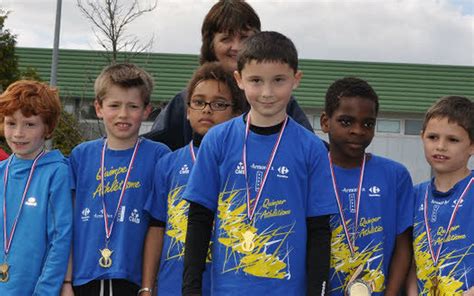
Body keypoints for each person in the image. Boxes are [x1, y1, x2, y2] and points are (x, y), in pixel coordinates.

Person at [182, 31, 337, 295]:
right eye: (256, 80)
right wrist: (191, 289)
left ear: (296, 80)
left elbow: (319, 231)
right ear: (239, 80)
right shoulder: (217, 140)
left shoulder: (311, 148)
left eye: (278, 80)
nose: (267, 92)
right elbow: (199, 219)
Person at [143, 0, 313, 151]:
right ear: (211, 45)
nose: (237, 47)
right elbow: (151, 152)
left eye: (245, 38)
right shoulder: (185, 100)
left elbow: (311, 150)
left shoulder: (278, 101)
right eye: (226, 39)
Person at [140, 62, 246, 296]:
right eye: (198, 102)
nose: (207, 110)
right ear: (187, 111)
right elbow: (158, 226)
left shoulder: (245, 164)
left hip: (226, 284)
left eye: (219, 104)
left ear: (237, 114)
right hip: (174, 286)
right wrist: (147, 286)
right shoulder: (168, 163)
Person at [64, 64, 170, 296]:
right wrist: (66, 281)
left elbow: (160, 225)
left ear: (146, 110)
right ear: (99, 108)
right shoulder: (81, 156)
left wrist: (149, 285)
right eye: (114, 105)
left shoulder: (159, 156)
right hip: (84, 278)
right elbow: (68, 222)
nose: (123, 114)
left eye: (132, 106)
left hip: (134, 280)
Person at [320, 77, 415, 295]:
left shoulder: (395, 175)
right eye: (346, 121)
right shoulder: (312, 174)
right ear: (326, 122)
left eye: (368, 123)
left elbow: (403, 246)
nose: (358, 130)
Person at [0, 80, 72, 294]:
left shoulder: (57, 172)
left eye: (30, 124)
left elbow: (60, 239)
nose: (18, 133)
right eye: (11, 123)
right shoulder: (1, 171)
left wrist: (45, 292)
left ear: (47, 127)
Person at [410, 96, 473, 295]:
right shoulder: (414, 195)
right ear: (422, 137)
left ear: (472, 145)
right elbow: (412, 260)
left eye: (452, 139)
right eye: (433, 137)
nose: (440, 146)